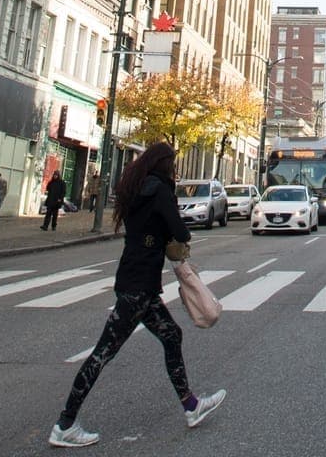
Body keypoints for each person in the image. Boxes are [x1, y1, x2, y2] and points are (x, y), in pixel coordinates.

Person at [50, 141, 224, 448]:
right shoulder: (160, 190)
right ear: (165, 165)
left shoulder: (136, 188)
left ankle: (191, 405)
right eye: (173, 164)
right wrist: (174, 232)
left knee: (171, 336)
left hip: (134, 279)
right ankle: (65, 424)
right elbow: (180, 231)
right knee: (102, 353)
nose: (175, 169)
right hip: (139, 287)